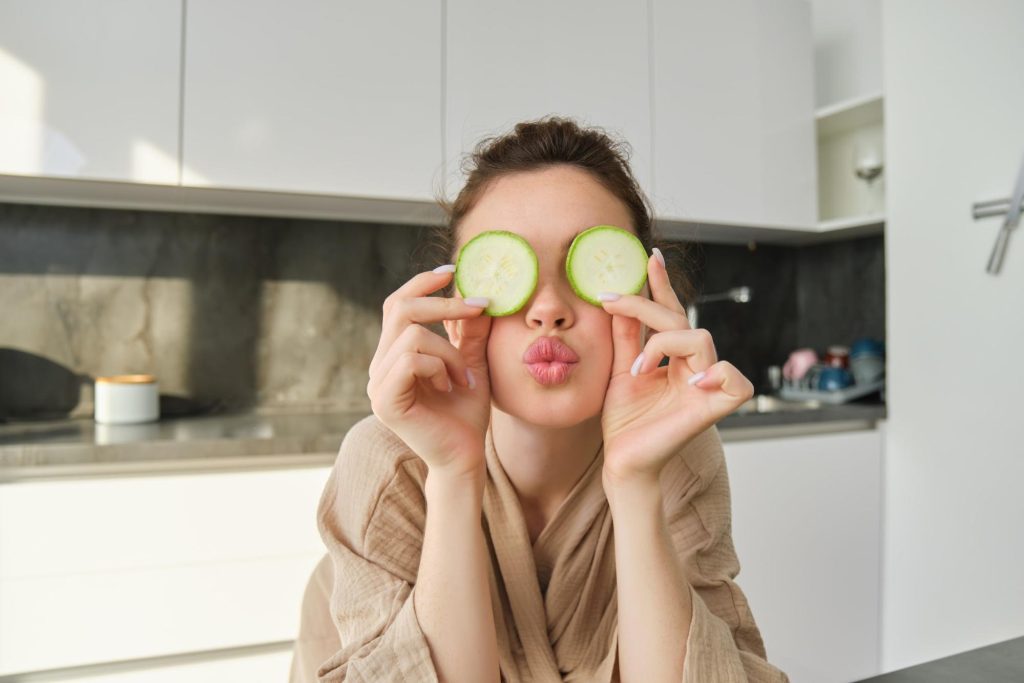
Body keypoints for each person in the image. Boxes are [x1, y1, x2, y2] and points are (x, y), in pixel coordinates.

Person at [289, 116, 790, 682]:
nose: (548, 309)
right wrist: (453, 474)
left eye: (589, 270)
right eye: (507, 273)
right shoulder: (390, 458)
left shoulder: (677, 451)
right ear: (454, 307)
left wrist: (634, 482)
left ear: (645, 296)